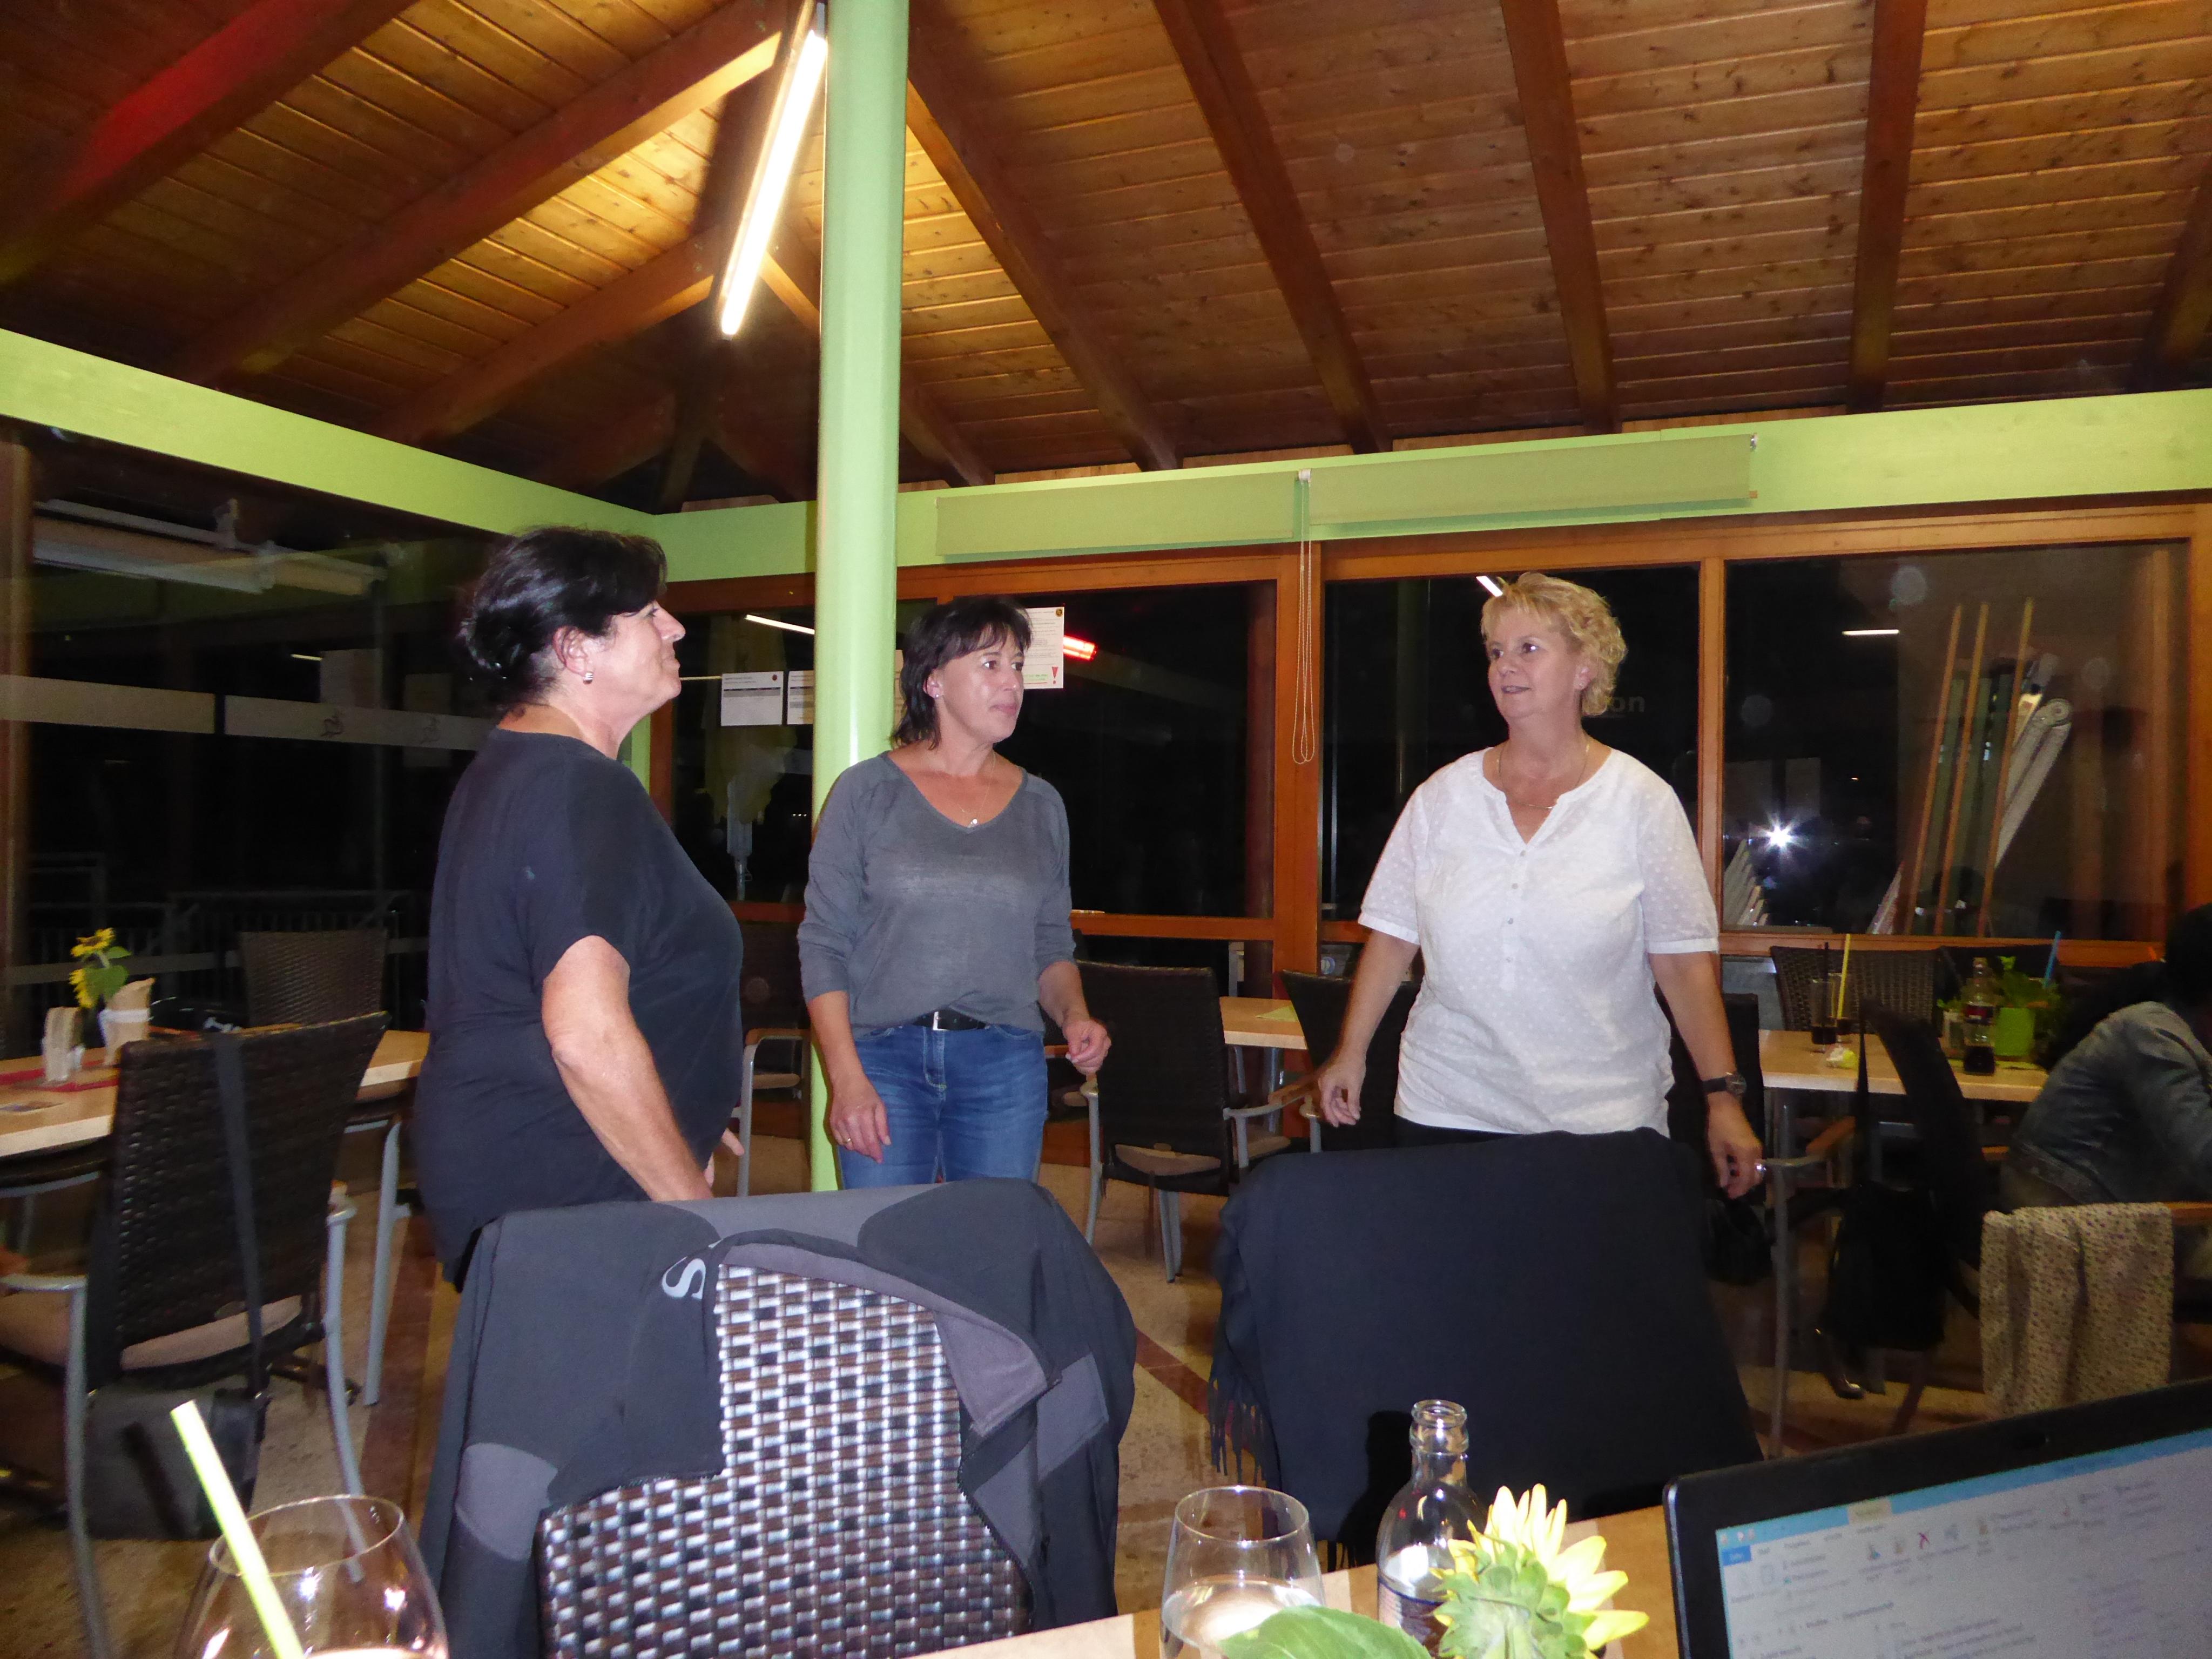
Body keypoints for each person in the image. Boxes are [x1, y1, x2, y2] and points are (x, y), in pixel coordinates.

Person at [1314, 571, 1763, 1197]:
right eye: (1496, 651)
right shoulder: (1441, 797)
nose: (1505, 666)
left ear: (1584, 668)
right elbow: (1392, 937)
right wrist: (1350, 1051)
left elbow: (1684, 965)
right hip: (1446, 1105)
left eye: (1529, 648)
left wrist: (1721, 1096)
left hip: (1599, 1120)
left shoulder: (1640, 800)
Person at [414, 528, 741, 1283]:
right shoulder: (579, 786)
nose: (675, 628)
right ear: (577, 649)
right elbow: (585, 1037)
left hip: (549, 1154)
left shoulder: (519, 765)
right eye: (648, 614)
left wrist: (678, 1113)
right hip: (566, 1173)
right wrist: (690, 1202)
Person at [800, 596, 1109, 1187]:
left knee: (991, 1237)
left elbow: (1050, 945)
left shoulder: (1041, 805)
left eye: (1017, 666)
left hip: (1004, 1065)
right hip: (883, 1059)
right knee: (885, 1235)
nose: (1012, 682)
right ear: (934, 681)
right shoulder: (866, 792)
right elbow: (824, 945)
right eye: (990, 664)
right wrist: (845, 1078)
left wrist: (1075, 1016)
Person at [2004, 905, 2212, 1279]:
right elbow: (2205, 1158)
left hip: (2110, 1209)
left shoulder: (2177, 1030)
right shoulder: (2152, 1034)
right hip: (2072, 1222)